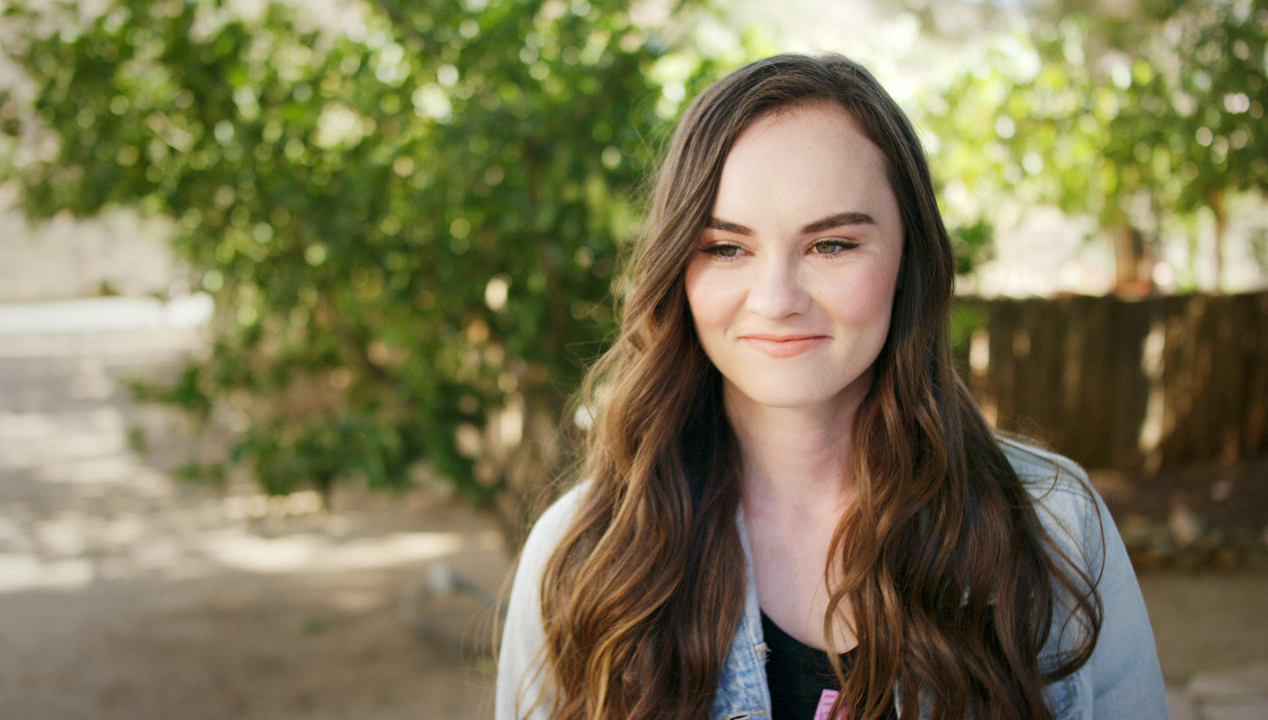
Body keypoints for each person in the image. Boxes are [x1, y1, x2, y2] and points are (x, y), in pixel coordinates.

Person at [496, 54, 1168, 720]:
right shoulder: (582, 554)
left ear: (910, 258)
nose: (777, 298)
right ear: (678, 268)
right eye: (726, 248)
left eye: (833, 245)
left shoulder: (1054, 527)